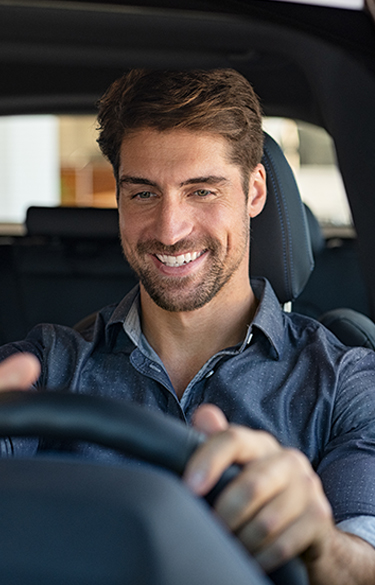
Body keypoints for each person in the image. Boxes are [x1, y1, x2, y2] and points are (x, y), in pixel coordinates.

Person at [1, 68, 375, 584]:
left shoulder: (346, 384)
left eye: (201, 191)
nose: (170, 230)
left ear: (254, 192)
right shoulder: (45, 366)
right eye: (143, 194)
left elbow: (364, 561)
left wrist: (319, 545)